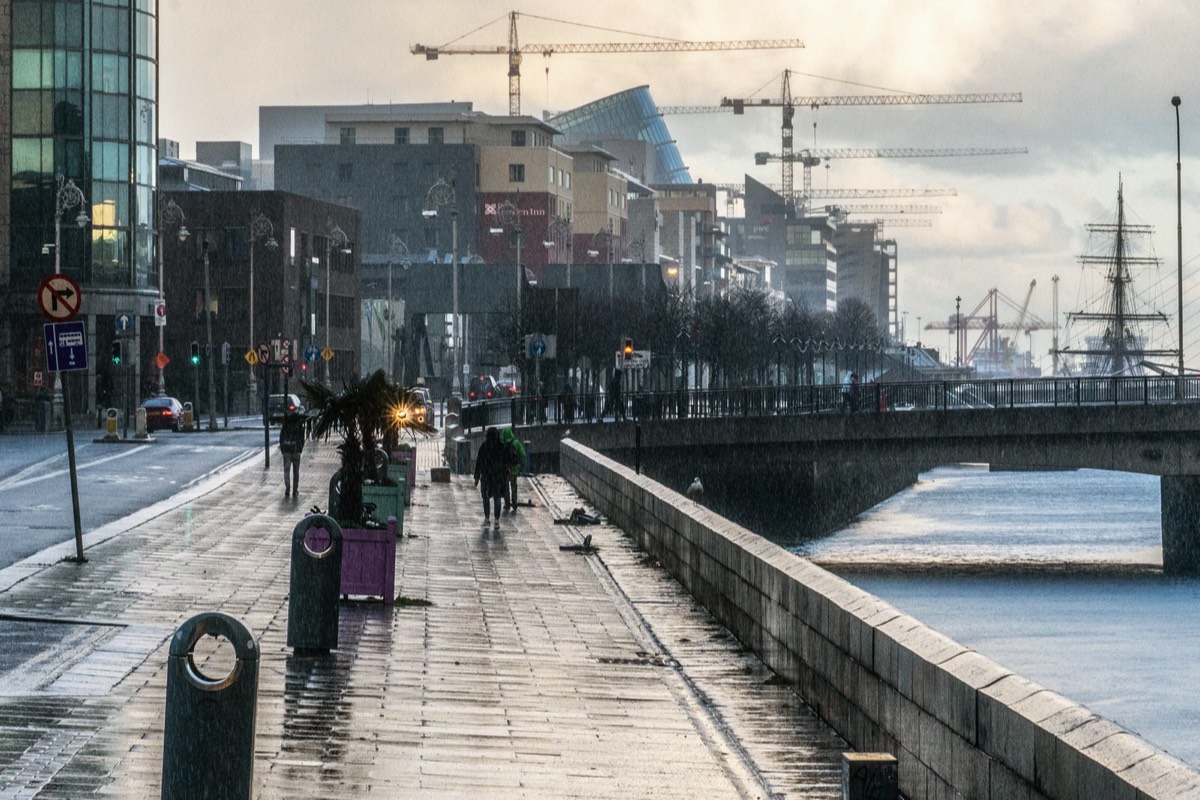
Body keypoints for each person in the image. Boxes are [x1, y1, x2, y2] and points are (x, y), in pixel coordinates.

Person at [473, 426, 509, 526]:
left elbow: (479, 462)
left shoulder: (484, 447)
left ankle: (487, 518)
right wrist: (506, 473)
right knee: (497, 497)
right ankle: (496, 520)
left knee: (485, 497)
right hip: (498, 477)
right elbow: (506, 461)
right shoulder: (502, 447)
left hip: (486, 476)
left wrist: (477, 476)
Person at [278, 407, 306, 497]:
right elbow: (302, 438)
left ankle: (287, 488)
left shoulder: (285, 425)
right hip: (296, 450)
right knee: (296, 472)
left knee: (286, 470)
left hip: (287, 451)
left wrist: (283, 449)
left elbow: (281, 438)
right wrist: (300, 448)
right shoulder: (299, 426)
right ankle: (295, 490)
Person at [499, 428, 525, 512]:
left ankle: (507, 504)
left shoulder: (502, 444)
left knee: (506, 486)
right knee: (514, 485)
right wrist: (521, 466)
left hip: (506, 469)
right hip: (515, 468)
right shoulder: (516, 443)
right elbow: (523, 455)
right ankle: (514, 501)